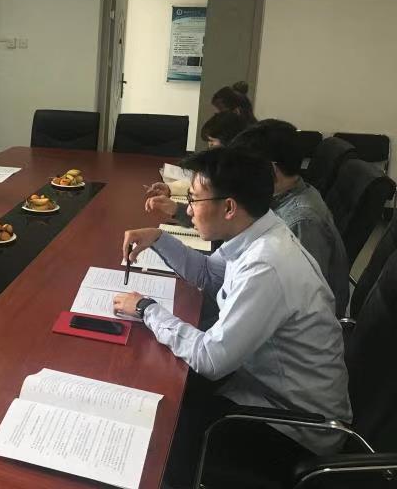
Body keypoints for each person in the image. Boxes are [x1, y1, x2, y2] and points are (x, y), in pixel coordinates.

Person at [114, 148, 350, 488]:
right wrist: (158, 238)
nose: (188, 210)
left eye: (193, 199)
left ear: (228, 207)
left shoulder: (266, 265)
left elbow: (211, 359)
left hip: (296, 427)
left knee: (156, 442)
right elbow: (210, 275)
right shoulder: (259, 231)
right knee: (161, 392)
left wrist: (145, 309)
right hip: (263, 389)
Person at [230, 119, 350, 316]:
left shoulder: (301, 221)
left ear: (271, 170)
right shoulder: (280, 195)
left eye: (246, 169)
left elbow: (306, 299)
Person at [144, 111, 248, 226]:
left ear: (229, 141)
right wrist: (170, 189)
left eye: (212, 142)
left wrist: (177, 210)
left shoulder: (235, 178)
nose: (209, 148)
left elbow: (213, 221)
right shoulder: (234, 167)